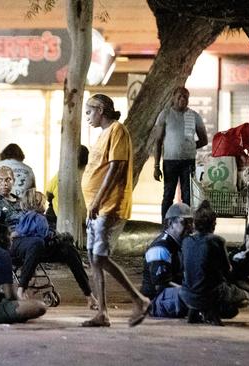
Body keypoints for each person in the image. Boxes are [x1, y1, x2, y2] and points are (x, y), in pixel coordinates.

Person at [81, 94, 150, 327]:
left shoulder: (117, 130)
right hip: (96, 208)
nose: (88, 117)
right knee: (94, 258)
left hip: (108, 206)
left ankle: (139, 300)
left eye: (89, 112)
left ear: (101, 110)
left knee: (100, 257)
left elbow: (116, 167)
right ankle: (102, 312)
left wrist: (98, 200)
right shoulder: (103, 134)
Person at [11, 189, 98, 309]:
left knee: (68, 250)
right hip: (25, 247)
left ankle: (89, 295)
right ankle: (22, 289)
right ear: (38, 203)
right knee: (49, 242)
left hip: (36, 246)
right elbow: (43, 235)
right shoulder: (38, 218)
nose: (46, 205)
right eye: (44, 203)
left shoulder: (30, 218)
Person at [180, 200, 249, 326]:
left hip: (186, 293)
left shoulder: (186, 241)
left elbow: (184, 266)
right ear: (214, 224)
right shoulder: (217, 241)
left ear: (195, 224)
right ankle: (212, 311)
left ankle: (196, 311)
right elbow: (227, 269)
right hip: (211, 294)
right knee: (246, 297)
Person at [152, 86, 208, 222]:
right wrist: (156, 166)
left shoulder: (194, 116)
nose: (182, 99)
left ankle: (187, 223)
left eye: (185, 97)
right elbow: (158, 141)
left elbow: (204, 140)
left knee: (187, 196)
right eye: (180, 96)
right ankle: (165, 224)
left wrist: (191, 147)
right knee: (168, 195)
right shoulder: (165, 115)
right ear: (173, 98)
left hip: (188, 162)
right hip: (169, 161)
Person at [140, 203, 193, 318]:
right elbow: (161, 285)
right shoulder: (160, 247)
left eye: (191, 222)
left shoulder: (180, 244)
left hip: (172, 294)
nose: (190, 227)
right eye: (184, 222)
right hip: (155, 300)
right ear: (170, 223)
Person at [45, 145, 90, 220]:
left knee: (50, 208)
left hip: (63, 218)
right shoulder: (90, 172)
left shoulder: (63, 172)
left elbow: (48, 193)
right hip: (85, 218)